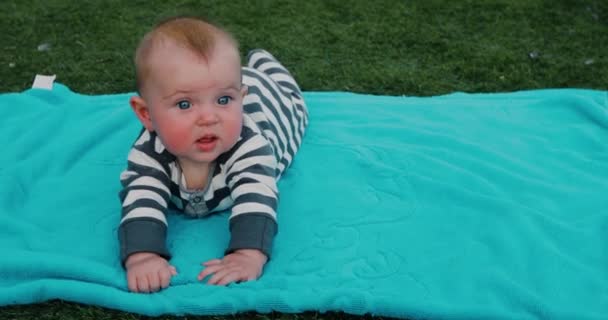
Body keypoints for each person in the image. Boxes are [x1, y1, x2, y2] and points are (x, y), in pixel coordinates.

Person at [117, 16, 308, 293]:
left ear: (240, 98)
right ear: (146, 114)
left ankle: (264, 62)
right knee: (220, 80)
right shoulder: (149, 153)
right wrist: (143, 256)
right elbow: (141, 200)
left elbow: (257, 197)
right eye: (184, 104)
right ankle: (239, 77)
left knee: (293, 98)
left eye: (223, 101)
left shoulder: (249, 148)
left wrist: (247, 254)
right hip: (231, 82)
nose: (209, 118)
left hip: (273, 104)